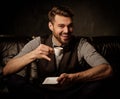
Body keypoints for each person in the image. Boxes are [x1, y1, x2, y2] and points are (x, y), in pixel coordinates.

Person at [3, 5, 112, 99]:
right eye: (61, 26)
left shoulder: (81, 44)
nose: (66, 31)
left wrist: (74, 77)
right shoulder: (38, 42)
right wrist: (33, 54)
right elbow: (7, 70)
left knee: (102, 80)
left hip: (74, 94)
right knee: (13, 80)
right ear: (51, 26)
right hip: (42, 94)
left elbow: (107, 69)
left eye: (70, 26)